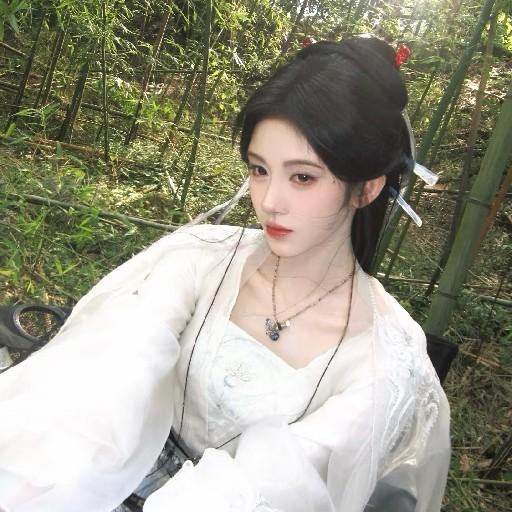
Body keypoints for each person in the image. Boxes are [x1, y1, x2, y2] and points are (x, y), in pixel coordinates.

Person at [0, 37, 450, 512]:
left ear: (367, 188)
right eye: (259, 170)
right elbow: (112, 373)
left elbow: (287, 482)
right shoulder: (201, 257)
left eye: (302, 177)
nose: (270, 201)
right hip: (108, 477)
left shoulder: (386, 357)